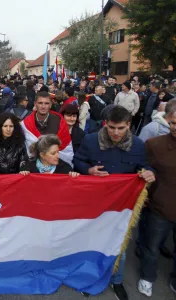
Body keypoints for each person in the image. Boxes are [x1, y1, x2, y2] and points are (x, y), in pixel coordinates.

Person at [73, 105, 155, 300]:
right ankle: (92, 278)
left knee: (119, 247)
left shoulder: (138, 145)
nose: (116, 132)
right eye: (111, 127)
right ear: (105, 124)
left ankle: (116, 281)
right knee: (93, 244)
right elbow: (77, 161)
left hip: (122, 207)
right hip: (94, 204)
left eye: (121, 128)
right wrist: (89, 170)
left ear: (128, 125)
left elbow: (144, 167)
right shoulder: (90, 140)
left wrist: (150, 172)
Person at [138, 107, 176, 297]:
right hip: (160, 206)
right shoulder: (154, 144)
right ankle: (147, 277)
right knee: (151, 246)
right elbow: (141, 167)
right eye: (174, 123)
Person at [21, 91, 74, 167]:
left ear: (51, 104)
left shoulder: (59, 121)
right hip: (34, 167)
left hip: (58, 167)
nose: (43, 106)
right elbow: (25, 149)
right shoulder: (26, 124)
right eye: (40, 103)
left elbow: (66, 149)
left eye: (46, 103)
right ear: (35, 104)